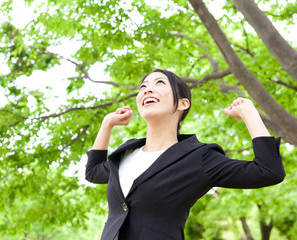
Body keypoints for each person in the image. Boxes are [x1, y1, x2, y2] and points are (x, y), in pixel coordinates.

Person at [85, 69, 285, 240]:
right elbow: (93, 171)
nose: (147, 89)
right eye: (143, 86)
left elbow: (268, 171)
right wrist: (107, 125)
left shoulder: (200, 158)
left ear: (183, 104)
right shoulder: (125, 155)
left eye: (160, 82)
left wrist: (249, 114)